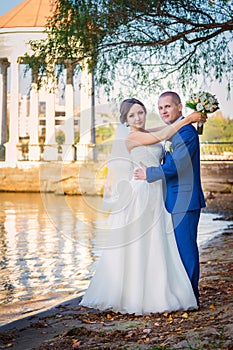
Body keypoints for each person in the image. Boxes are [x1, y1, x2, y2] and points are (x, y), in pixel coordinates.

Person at [80, 98, 206, 315]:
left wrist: (187, 121)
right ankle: (136, 294)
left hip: (158, 193)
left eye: (140, 112)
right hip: (141, 192)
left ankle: (159, 289)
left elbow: (165, 129)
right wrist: (190, 119)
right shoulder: (132, 137)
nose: (138, 118)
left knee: (158, 244)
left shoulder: (146, 131)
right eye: (132, 115)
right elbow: (164, 135)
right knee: (140, 245)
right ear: (125, 120)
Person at [134, 92, 206, 304]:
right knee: (178, 250)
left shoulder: (186, 134)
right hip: (173, 199)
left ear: (180, 107)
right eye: (160, 107)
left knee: (186, 249)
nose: (164, 111)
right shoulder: (175, 131)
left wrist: (150, 174)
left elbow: (177, 166)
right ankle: (184, 293)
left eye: (168, 106)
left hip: (185, 199)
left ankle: (191, 296)